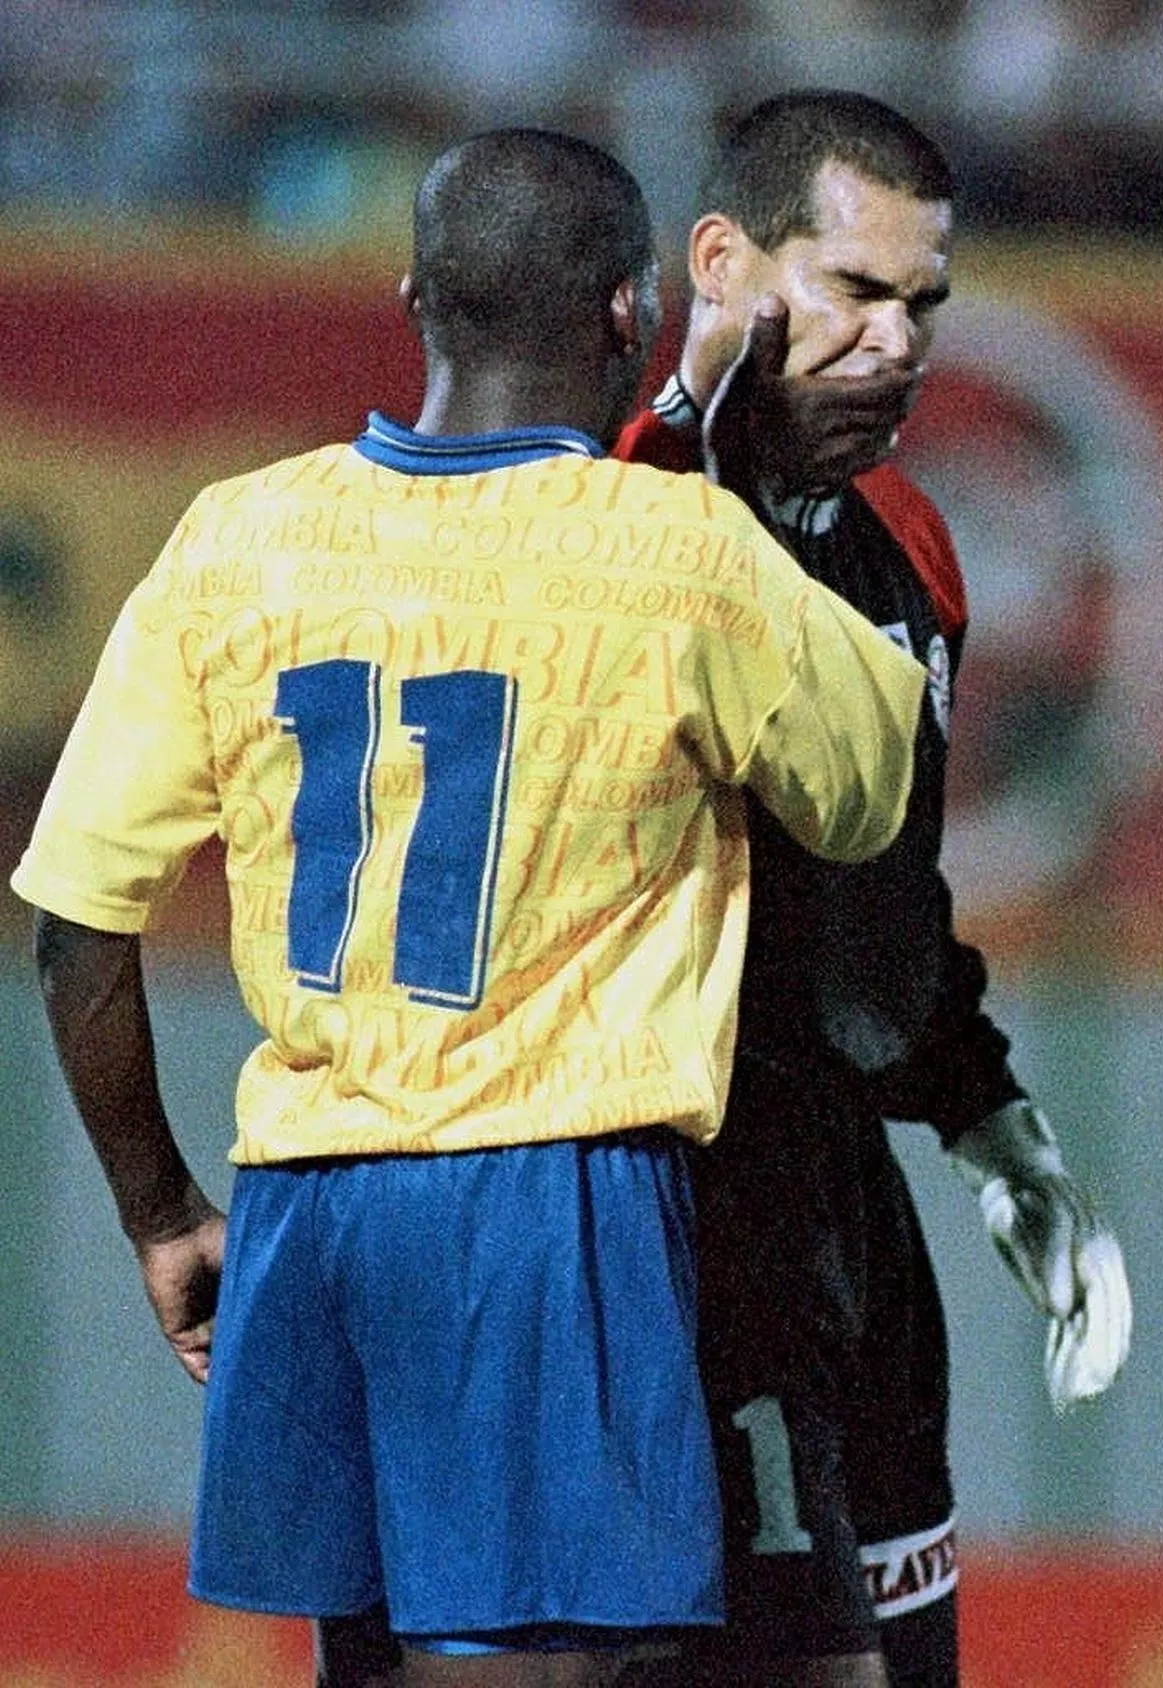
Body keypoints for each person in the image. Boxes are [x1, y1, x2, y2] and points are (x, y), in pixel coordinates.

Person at [10, 128, 928, 1688]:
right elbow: (867, 786)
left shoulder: (239, 536)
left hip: (306, 1197)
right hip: (541, 1192)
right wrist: (743, 460)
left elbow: (77, 925)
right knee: (541, 1667)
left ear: (414, 299)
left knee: (370, 1664)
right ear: (632, 313)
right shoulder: (678, 552)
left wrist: (161, 1209)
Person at [614, 89, 1133, 1688]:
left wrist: (994, 1126)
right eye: (852, 291)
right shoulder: (618, 519)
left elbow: (884, 916)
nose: (898, 344)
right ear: (726, 263)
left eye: (924, 305)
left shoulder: (916, 546)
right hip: (667, 1207)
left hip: (850, 1210)